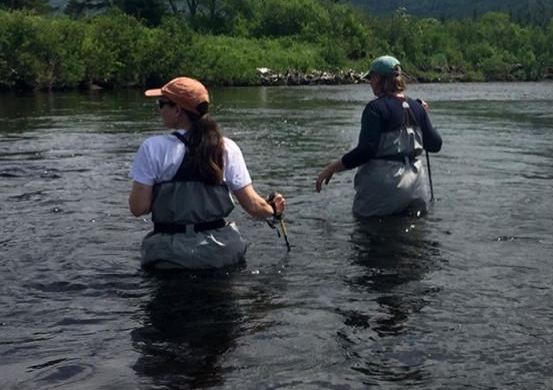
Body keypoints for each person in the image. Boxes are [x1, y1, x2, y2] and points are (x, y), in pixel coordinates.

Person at [129, 77, 286, 270]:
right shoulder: (226, 148)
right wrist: (274, 210)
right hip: (218, 253)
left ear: (177, 110)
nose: (159, 109)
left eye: (162, 104)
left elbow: (138, 208)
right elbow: (253, 206)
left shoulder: (152, 148)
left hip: (168, 256)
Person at [315, 55, 443, 217]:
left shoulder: (375, 108)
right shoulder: (416, 108)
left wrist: (332, 168)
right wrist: (424, 117)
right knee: (414, 236)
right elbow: (435, 145)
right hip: (416, 185)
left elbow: (365, 151)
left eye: (370, 78)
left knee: (369, 234)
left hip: (385, 186)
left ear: (377, 79)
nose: (369, 83)